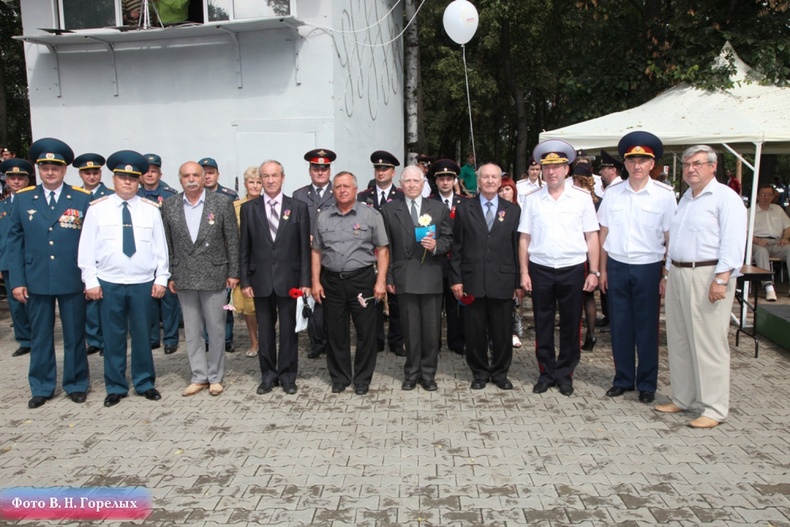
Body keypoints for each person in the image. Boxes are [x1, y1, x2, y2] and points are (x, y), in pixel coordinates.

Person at [656, 145, 746, 429]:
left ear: (712, 166)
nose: (690, 169)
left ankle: (714, 408)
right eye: (686, 164)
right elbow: (676, 240)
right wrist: (667, 273)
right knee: (680, 340)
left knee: (708, 343)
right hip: (679, 272)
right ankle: (684, 398)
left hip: (708, 274)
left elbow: (733, 242)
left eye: (697, 163)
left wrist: (721, 279)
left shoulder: (725, 198)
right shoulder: (686, 198)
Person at [78, 150, 169, 407]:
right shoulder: (98, 209)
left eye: (132, 178)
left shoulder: (150, 210)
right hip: (109, 281)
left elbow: (160, 247)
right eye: (122, 177)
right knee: (112, 337)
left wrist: (161, 278)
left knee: (143, 335)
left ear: (139, 180)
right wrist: (90, 280)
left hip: (142, 282)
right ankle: (116, 386)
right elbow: (86, 248)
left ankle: (144, 382)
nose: (127, 182)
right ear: (114, 179)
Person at [7, 138, 92, 408]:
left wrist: (90, 277)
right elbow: (14, 242)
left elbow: (91, 241)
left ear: (64, 170)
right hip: (36, 277)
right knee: (41, 336)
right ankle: (42, 387)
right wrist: (17, 280)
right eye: (45, 168)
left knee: (75, 334)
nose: (50, 172)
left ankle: (76, 383)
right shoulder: (23, 199)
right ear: (38, 169)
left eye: (56, 168)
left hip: (71, 276)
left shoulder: (81, 198)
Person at [598, 131, 677, 404]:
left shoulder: (665, 195)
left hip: (648, 267)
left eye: (643, 161)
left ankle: (646, 383)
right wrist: (602, 271)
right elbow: (604, 234)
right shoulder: (613, 193)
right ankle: (622, 379)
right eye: (632, 160)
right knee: (620, 326)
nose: (637, 166)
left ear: (652, 164)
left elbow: (670, 238)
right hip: (617, 265)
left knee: (647, 327)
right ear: (625, 164)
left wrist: (666, 274)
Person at [518, 139, 600, 397]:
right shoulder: (532, 199)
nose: (551, 171)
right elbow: (524, 237)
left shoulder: (582, 198)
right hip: (541, 267)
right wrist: (524, 272)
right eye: (547, 167)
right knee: (542, 322)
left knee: (571, 323)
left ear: (567, 169)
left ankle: (565, 374)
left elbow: (592, 236)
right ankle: (546, 373)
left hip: (573, 268)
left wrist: (594, 271)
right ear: (541, 170)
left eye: (557, 167)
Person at [162, 161, 239, 397]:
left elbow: (232, 240)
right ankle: (198, 376)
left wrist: (233, 273)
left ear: (204, 176)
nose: (191, 179)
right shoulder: (170, 205)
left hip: (214, 274)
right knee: (192, 330)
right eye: (186, 176)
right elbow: (167, 243)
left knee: (216, 328)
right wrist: (170, 274)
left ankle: (215, 376)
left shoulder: (221, 203)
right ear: (180, 179)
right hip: (184, 275)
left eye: (196, 175)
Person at [312, 171, 389, 395]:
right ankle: (340, 377)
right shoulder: (323, 217)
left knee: (366, 332)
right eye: (338, 187)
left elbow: (383, 250)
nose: (342, 190)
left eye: (347, 186)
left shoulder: (371, 215)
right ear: (332, 191)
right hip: (332, 281)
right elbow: (316, 251)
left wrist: (381, 281)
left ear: (355, 189)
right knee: (336, 332)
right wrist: (315, 281)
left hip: (362, 281)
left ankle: (362, 378)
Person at [239, 160, 311, 395]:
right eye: (266, 176)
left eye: (274, 175)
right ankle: (268, 375)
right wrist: (245, 281)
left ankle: (288, 376)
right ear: (260, 180)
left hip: (289, 280)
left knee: (289, 331)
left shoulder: (298, 207)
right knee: (266, 331)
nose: (270, 180)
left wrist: (305, 281)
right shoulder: (249, 209)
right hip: (260, 280)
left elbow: (304, 249)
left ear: (282, 177)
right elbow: (244, 248)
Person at [451, 163, 522, 391]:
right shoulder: (464, 208)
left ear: (500, 181)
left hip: (503, 280)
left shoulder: (513, 210)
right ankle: (480, 373)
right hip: (473, 280)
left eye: (494, 177)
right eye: (485, 177)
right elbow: (457, 247)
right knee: (475, 332)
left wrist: (518, 282)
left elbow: (517, 248)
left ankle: (500, 373)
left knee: (502, 332)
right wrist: (456, 279)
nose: (490, 181)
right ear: (478, 181)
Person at [381, 165, 452, 391]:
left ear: (423, 184)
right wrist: (389, 277)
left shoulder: (438, 208)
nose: (411, 185)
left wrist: (437, 245)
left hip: (431, 275)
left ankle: (428, 374)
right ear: (401, 185)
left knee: (431, 330)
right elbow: (387, 247)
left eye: (416, 181)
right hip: (405, 276)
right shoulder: (389, 210)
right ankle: (411, 373)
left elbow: (449, 238)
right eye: (407, 181)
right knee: (410, 330)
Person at [357, 150, 404, 356]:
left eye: (385, 168)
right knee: (371, 298)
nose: (381, 172)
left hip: (395, 253)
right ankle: (375, 340)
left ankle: (396, 340)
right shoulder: (363, 196)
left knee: (396, 299)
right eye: (377, 168)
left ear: (393, 172)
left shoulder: (401, 196)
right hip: (370, 254)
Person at [293, 148, 337, 359]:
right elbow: (294, 226)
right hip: (308, 256)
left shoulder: (338, 192)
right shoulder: (299, 195)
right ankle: (316, 342)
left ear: (329, 170)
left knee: (332, 301)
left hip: (332, 256)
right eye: (316, 168)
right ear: (310, 170)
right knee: (310, 299)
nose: (320, 172)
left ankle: (332, 340)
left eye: (324, 168)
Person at [139, 153, 181, 354]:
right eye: (146, 171)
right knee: (149, 299)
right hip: (144, 253)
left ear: (160, 174)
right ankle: (152, 337)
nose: (150, 174)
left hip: (167, 251)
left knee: (169, 299)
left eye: (153, 171)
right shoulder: (134, 195)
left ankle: (171, 338)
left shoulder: (171, 195)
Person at [73, 153, 113, 357]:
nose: (91, 176)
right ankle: (93, 338)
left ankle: (107, 340)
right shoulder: (74, 197)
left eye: (95, 172)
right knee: (88, 298)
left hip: (106, 255)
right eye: (87, 173)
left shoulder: (111, 195)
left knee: (107, 302)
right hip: (85, 253)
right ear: (81, 174)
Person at [199, 156, 239, 353]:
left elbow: (233, 232)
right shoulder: (194, 197)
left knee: (225, 303)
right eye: (204, 173)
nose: (207, 176)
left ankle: (226, 338)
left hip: (222, 258)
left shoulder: (229, 196)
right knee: (204, 303)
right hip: (201, 259)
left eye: (211, 173)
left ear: (217, 174)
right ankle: (207, 339)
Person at [429, 159, 467, 355]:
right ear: (436, 181)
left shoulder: (465, 203)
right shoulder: (428, 202)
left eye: (449, 179)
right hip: (435, 261)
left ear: (454, 181)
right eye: (441, 179)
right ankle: (433, 342)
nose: (445, 182)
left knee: (456, 305)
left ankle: (456, 341)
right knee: (434, 305)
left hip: (458, 261)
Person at [0, 158, 33, 358]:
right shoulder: (2, 205)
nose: (16, 181)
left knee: (34, 301)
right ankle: (24, 339)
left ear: (27, 180)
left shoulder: (33, 202)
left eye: (20, 178)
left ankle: (39, 336)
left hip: (31, 260)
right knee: (15, 303)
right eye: (12, 177)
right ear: (7, 181)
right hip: (8, 261)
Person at [232, 166, 262, 357]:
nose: (255, 186)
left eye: (258, 182)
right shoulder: (235, 207)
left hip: (265, 263)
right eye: (251, 182)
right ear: (245, 184)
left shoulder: (270, 205)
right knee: (249, 308)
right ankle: (254, 342)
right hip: (245, 262)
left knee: (266, 306)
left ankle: (267, 340)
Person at [571, 164, 601, 352]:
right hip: (592, 252)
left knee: (576, 297)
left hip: (580, 253)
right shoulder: (598, 201)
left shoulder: (576, 199)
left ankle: (578, 333)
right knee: (589, 297)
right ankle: (590, 333)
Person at [498, 176, 525, 349]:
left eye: (507, 189)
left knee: (514, 300)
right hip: (499, 262)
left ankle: (514, 331)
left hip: (516, 259)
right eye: (501, 190)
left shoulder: (519, 211)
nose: (504, 193)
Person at [751, 184, 790, 301]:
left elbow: (788, 226)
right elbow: (743, 231)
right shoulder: (750, 212)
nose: (766, 197)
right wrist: (756, 240)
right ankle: (769, 287)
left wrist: (785, 238)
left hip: (777, 242)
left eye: (769, 195)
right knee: (761, 252)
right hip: (757, 242)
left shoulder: (778, 210)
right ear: (758, 196)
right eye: (763, 194)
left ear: (773, 197)